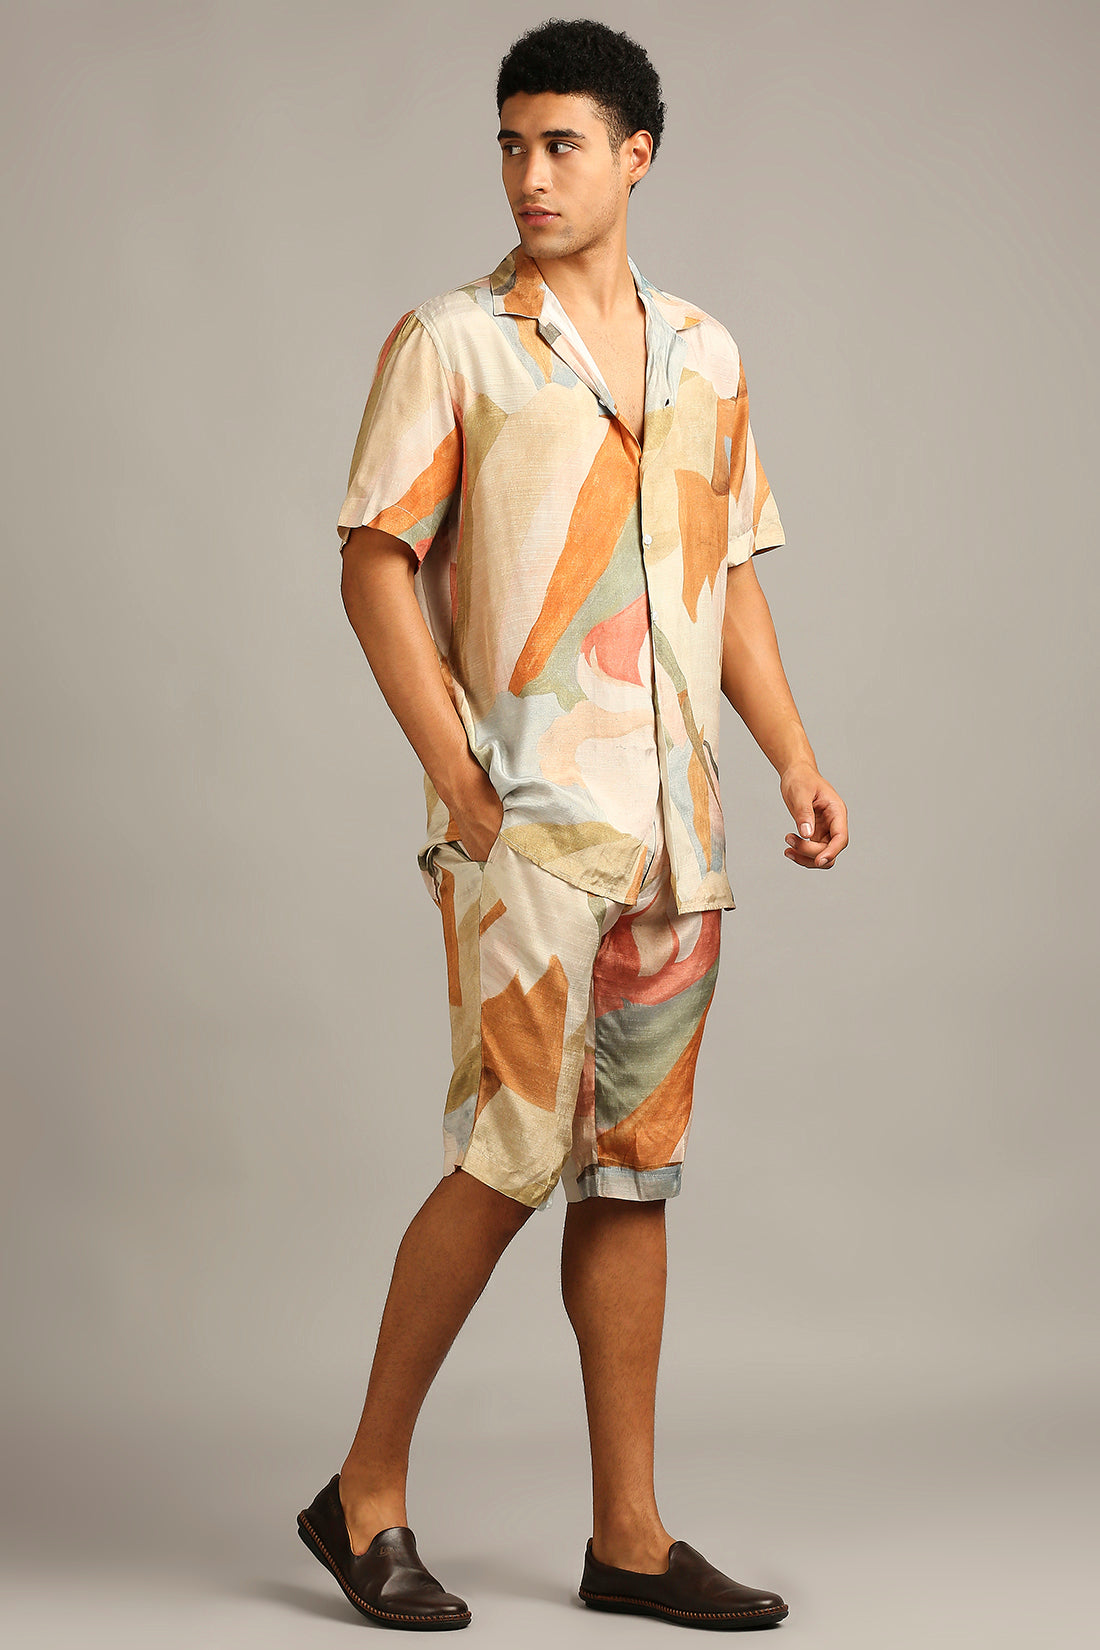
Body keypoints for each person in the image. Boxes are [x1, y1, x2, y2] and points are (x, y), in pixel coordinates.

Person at [297, 17, 848, 1633]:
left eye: (561, 145)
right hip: (532, 832)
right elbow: (373, 565)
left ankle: (630, 1537)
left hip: (678, 839)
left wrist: (796, 756)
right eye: (511, 144)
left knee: (632, 1175)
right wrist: (464, 783)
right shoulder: (453, 343)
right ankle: (362, 1491)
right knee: (508, 1153)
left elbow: (724, 571)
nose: (529, 174)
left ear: (635, 157)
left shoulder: (708, 353)